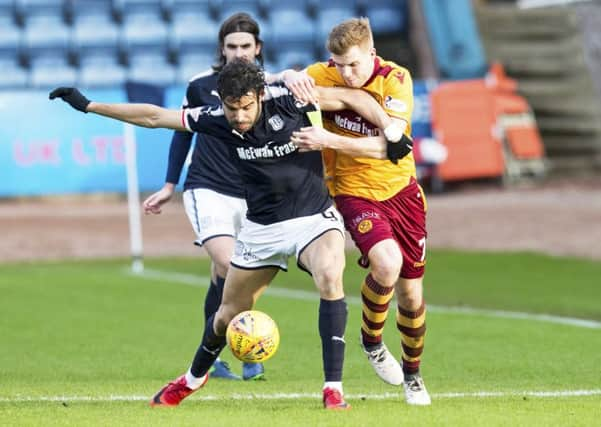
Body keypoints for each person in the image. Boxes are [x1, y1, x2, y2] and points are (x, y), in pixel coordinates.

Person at [49, 59, 403, 409]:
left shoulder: (291, 97)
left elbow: (354, 99)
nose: (240, 116)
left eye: (247, 107)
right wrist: (89, 106)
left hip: (313, 217)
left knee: (329, 273)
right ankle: (193, 378)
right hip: (261, 228)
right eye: (233, 108)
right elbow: (155, 117)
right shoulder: (217, 119)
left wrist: (391, 130)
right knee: (225, 315)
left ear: (260, 95)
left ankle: (332, 390)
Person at [287, 17, 432, 406]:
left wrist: (328, 138)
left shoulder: (395, 78)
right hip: (353, 192)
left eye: (353, 64)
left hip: (402, 190)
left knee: (411, 295)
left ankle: (413, 375)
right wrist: (288, 75)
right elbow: (285, 82)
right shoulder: (325, 73)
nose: (346, 73)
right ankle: (371, 342)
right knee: (387, 263)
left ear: (371, 53)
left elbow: (394, 148)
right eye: (338, 65)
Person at [143, 12, 271, 382]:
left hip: (253, 193)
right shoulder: (199, 85)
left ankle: (214, 355)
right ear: (222, 48)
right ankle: (248, 349)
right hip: (208, 187)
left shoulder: (271, 88)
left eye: (246, 46)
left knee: (228, 275)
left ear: (257, 48)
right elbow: (181, 131)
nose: (239, 53)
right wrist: (169, 185)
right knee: (233, 269)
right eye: (231, 46)